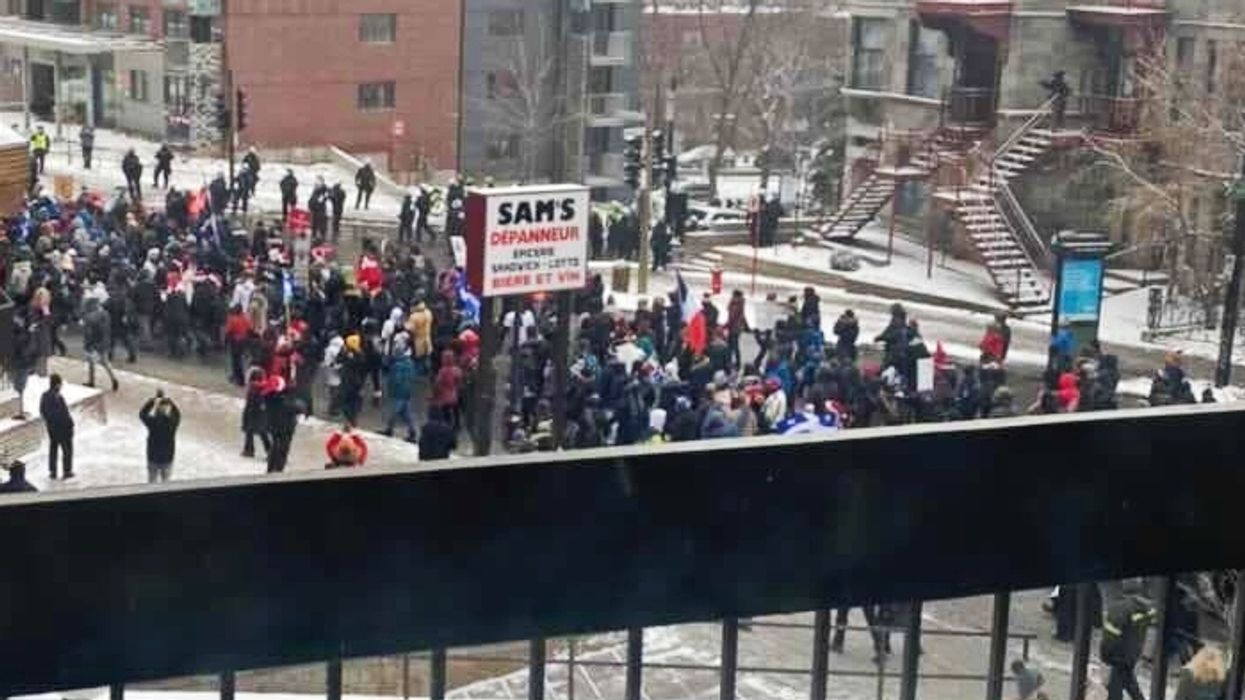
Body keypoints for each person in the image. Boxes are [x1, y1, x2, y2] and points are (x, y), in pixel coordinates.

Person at [1101, 579, 1157, 700]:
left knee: (1115, 688)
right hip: (1133, 654)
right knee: (1127, 681)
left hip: (1118, 655)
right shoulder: (1148, 609)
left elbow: (1110, 638)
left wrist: (1105, 655)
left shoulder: (1119, 609)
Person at [139, 390, 181, 483]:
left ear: (156, 411)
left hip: (153, 457)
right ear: (167, 411)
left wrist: (153, 400)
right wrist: (171, 402)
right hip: (167, 458)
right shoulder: (172, 423)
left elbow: (142, 414)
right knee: (166, 483)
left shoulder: (153, 422)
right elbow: (178, 414)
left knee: (152, 482)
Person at [40, 374, 74, 480]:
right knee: (67, 450)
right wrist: (68, 424)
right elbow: (63, 413)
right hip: (61, 428)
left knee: (53, 449)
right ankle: (66, 471)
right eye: (60, 384)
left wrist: (50, 423)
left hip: (53, 428)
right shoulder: (56, 396)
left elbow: (43, 411)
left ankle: (53, 472)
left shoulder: (46, 395)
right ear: (57, 384)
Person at [82, 298, 119, 392]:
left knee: (92, 362)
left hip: (95, 342)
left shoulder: (90, 316)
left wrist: (88, 344)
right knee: (105, 362)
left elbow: (89, 332)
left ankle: (91, 381)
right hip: (105, 341)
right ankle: (114, 379)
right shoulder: (105, 313)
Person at [383, 345, 418, 442]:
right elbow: (413, 376)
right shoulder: (410, 363)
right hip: (407, 391)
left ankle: (389, 430)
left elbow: (396, 380)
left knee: (394, 412)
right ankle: (412, 432)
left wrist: (390, 389)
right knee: (406, 414)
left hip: (398, 392)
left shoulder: (397, 365)